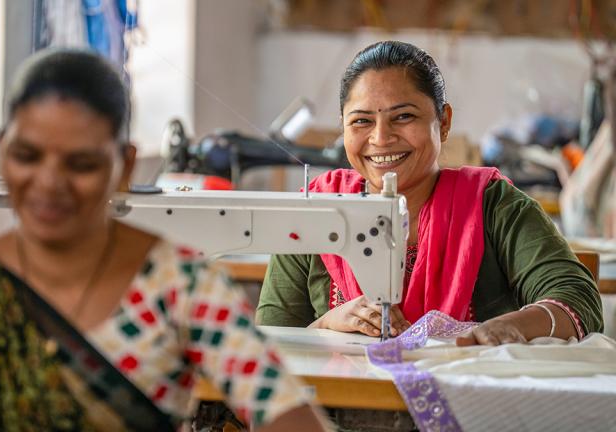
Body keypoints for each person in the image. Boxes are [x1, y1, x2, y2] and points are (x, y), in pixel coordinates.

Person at [0, 49, 329, 431]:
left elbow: (287, 413)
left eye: (81, 164)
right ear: (1, 150)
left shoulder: (179, 288)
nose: (49, 183)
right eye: (26, 156)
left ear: (124, 167)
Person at [256, 41, 603, 346]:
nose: (380, 138)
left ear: (444, 121)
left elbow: (578, 299)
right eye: (361, 121)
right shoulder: (313, 212)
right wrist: (326, 325)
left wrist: (507, 328)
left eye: (403, 116)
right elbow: (270, 340)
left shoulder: (492, 205)